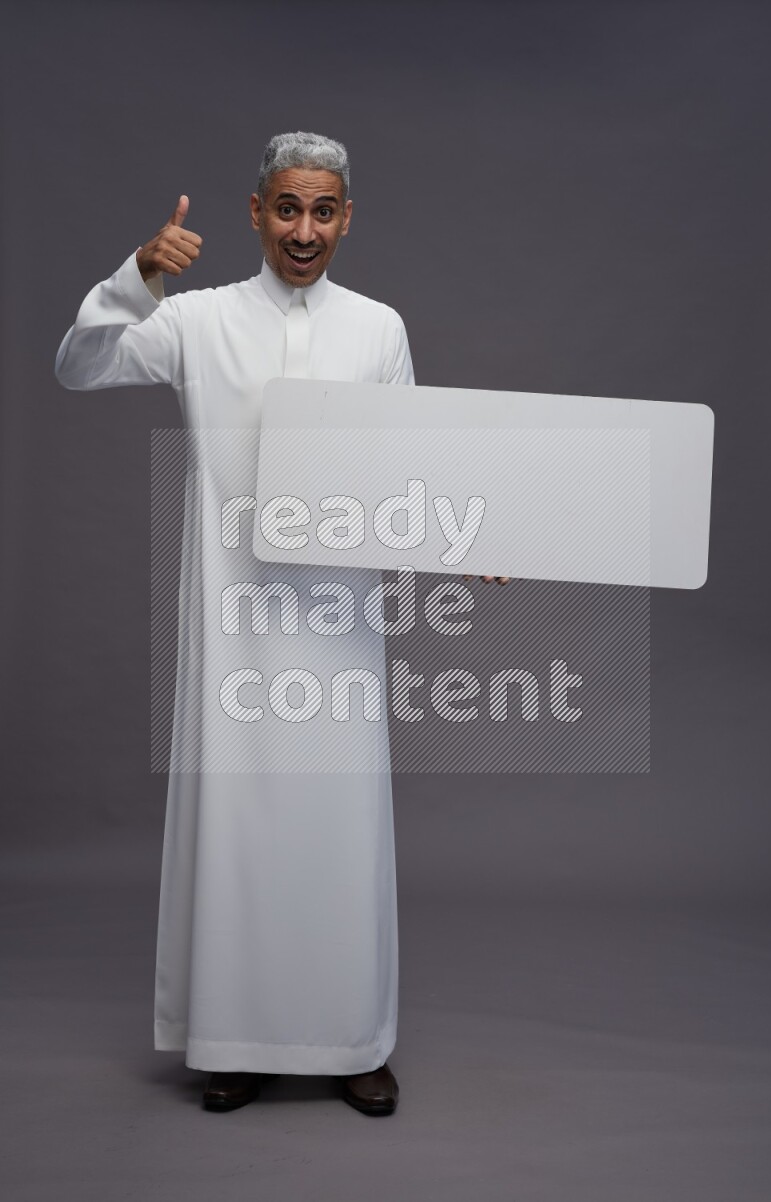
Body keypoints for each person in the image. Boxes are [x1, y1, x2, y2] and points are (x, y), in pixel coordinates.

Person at [56, 130, 507, 1117]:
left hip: (338, 629)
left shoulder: (377, 328)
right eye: (287, 208)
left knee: (340, 831)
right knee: (240, 831)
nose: (304, 230)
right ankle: (233, 1039)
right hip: (234, 627)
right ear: (257, 211)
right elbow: (77, 366)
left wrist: (461, 529)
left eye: (324, 210)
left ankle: (353, 1039)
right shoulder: (199, 320)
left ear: (346, 218)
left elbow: (410, 465)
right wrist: (135, 276)